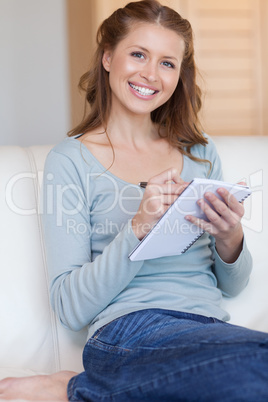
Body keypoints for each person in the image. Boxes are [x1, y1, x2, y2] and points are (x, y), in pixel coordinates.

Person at [1, 0, 268, 400]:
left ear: (180, 74)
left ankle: (88, 390)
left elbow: (233, 285)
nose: (151, 74)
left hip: (208, 327)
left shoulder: (199, 152)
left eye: (167, 63)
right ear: (108, 58)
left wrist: (230, 237)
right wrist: (139, 227)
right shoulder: (71, 160)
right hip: (129, 332)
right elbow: (71, 309)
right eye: (138, 54)